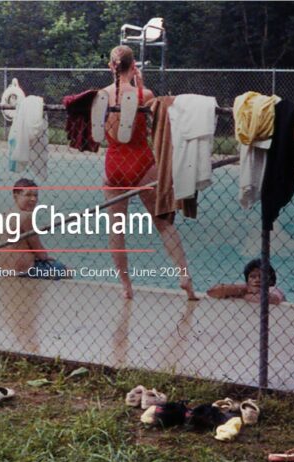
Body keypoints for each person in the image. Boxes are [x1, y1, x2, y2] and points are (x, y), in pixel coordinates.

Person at [102, 45, 196, 300]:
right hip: (142, 161)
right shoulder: (145, 94)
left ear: (111, 66)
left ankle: (126, 286)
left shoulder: (103, 95)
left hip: (114, 163)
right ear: (134, 66)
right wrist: (141, 84)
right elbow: (160, 124)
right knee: (163, 223)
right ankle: (183, 274)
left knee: (116, 229)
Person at [0, 178, 66, 277]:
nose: (33, 199)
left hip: (1, 269)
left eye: (36, 195)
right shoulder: (26, 216)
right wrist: (46, 257)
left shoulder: (5, 214)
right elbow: (39, 250)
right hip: (23, 271)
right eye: (28, 195)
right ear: (16, 196)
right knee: (65, 270)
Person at [207, 258, 285, 304]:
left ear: (270, 280)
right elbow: (212, 291)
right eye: (252, 276)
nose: (257, 279)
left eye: (262, 276)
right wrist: (245, 288)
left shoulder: (274, 289)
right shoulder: (246, 289)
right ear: (247, 280)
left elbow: (270, 299)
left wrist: (244, 294)